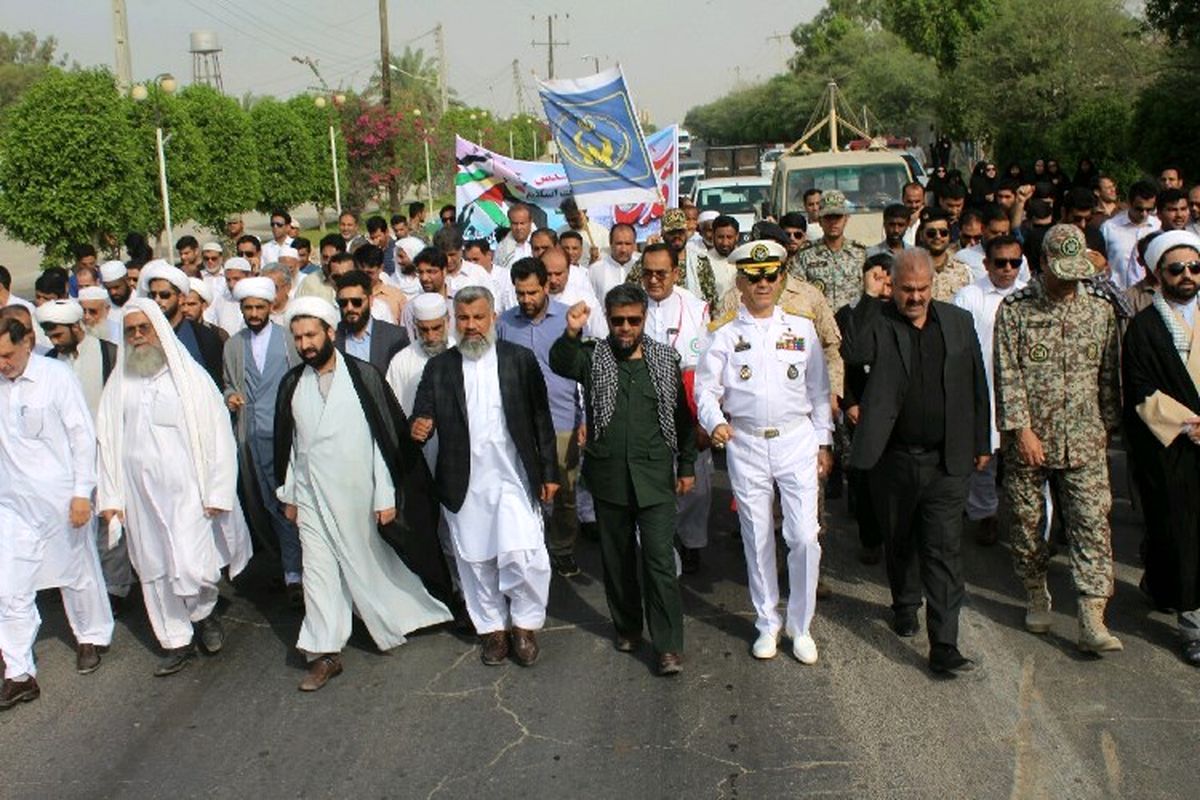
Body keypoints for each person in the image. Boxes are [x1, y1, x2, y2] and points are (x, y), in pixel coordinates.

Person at [272, 297, 452, 691]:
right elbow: (291, 446)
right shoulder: (292, 384)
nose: (304, 344)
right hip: (313, 497)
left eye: (311, 335)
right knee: (318, 572)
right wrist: (289, 495)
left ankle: (409, 613)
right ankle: (324, 652)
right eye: (298, 337)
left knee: (373, 565)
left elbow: (382, 442)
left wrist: (385, 497)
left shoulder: (363, 377)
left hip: (360, 497)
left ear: (329, 333)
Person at [842, 248, 990, 676]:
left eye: (922, 289)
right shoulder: (880, 321)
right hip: (894, 458)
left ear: (933, 286)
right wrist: (871, 298)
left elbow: (977, 384)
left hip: (947, 460)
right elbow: (853, 352)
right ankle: (905, 603)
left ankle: (944, 644)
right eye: (906, 289)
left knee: (943, 549)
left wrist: (982, 440)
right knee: (901, 540)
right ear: (893, 286)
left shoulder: (958, 323)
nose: (915, 298)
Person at [96, 299, 252, 676]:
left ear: (159, 331)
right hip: (140, 498)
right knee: (154, 569)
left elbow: (217, 436)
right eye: (130, 330)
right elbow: (107, 443)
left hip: (188, 494)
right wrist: (111, 498)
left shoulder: (190, 379)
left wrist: (216, 491)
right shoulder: (120, 384)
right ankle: (175, 640)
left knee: (192, 564)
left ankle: (204, 613)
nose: (137, 337)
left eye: (143, 329)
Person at [698, 240, 833, 664]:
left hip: (796, 439)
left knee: (804, 537)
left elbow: (819, 389)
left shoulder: (802, 328)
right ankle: (767, 623)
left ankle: (801, 624)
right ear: (739, 281)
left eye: (770, 276)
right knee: (756, 538)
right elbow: (705, 388)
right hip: (747, 442)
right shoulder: (723, 332)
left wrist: (824, 441)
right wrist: (713, 420)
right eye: (754, 277)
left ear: (780, 279)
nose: (762, 284)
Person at [551, 284, 696, 675]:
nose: (626, 328)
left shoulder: (665, 360)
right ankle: (628, 628)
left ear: (644, 318)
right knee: (616, 561)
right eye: (618, 321)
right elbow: (560, 361)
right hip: (610, 476)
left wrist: (686, 466)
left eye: (633, 320)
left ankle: (667, 645)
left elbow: (682, 420)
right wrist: (571, 331)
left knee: (659, 562)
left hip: (654, 479)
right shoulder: (594, 357)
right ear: (609, 320)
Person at [411, 286, 559, 667]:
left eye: (478, 317)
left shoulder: (519, 360)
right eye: (463, 318)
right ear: (453, 322)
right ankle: (493, 630)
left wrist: (549, 472)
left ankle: (524, 626)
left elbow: (541, 418)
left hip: (513, 477)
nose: (471, 325)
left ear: (493, 317)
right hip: (465, 481)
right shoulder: (439, 367)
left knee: (525, 556)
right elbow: (421, 411)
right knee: (476, 562)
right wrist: (419, 425)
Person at [994, 225, 1122, 653]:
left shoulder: (1100, 310)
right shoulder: (1016, 309)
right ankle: (1035, 590)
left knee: (1091, 525)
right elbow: (1007, 375)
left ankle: (1091, 617)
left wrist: (1107, 426)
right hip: (1032, 440)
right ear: (1043, 263)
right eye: (1061, 271)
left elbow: (1108, 377)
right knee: (1028, 524)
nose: (1069, 280)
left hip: (1084, 438)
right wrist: (1021, 430)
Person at [0, 316, 114, 707]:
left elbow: (82, 435)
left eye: (7, 355)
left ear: (27, 343)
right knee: (9, 586)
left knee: (76, 573)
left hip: (61, 499)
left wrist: (82, 492)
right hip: (11, 504)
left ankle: (90, 636)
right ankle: (19, 672)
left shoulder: (56, 377)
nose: (3, 364)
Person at [1121, 231, 1200, 665]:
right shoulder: (1146, 327)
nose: (1187, 276)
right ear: (1157, 274)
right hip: (1172, 446)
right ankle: (1193, 624)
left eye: (1194, 267)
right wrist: (1189, 424)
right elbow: (1139, 387)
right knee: (1181, 534)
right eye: (1177, 269)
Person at [496, 257, 584, 578]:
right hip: (520, 425)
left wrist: (584, 417)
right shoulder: (505, 323)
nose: (526, 300)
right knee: (520, 492)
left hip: (563, 422)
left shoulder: (568, 318)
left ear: (547, 286)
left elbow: (584, 370)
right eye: (520, 294)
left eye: (532, 292)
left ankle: (561, 549)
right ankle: (529, 549)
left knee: (565, 492)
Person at [222, 276, 303, 604]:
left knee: (288, 503)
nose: (254, 313)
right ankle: (286, 567)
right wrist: (230, 397)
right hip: (250, 438)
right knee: (263, 504)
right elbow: (228, 383)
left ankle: (295, 573)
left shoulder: (288, 340)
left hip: (285, 437)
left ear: (271, 307)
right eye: (248, 308)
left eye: (259, 307)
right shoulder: (233, 344)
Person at [638, 243, 712, 573]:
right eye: (648, 273)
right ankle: (661, 546)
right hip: (643, 411)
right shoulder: (630, 305)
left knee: (695, 484)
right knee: (650, 487)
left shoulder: (696, 309)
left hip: (686, 410)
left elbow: (708, 369)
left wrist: (704, 420)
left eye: (661, 273)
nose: (654, 280)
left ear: (676, 273)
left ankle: (692, 539)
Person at [952, 236, 1028, 545]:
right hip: (981, 389)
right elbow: (957, 346)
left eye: (1015, 263)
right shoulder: (970, 296)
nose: (1008, 269)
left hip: (1023, 391)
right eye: (1001, 262)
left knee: (1026, 460)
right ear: (986, 264)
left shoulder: (1029, 295)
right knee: (983, 457)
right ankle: (985, 515)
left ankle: (1030, 524)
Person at [835, 253, 893, 565]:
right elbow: (847, 358)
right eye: (878, 277)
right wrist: (851, 401)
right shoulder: (851, 313)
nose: (885, 284)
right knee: (865, 476)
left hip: (896, 410)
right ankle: (870, 537)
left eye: (889, 278)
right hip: (862, 405)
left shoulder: (903, 312)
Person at [139, 260, 224, 389]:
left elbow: (216, 384)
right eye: (153, 295)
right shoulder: (141, 335)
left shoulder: (205, 337)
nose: (157, 300)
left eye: (164, 295)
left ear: (181, 298)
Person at [793, 190, 868, 314]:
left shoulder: (860, 253)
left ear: (846, 219)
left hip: (853, 326)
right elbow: (796, 292)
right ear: (820, 221)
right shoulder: (805, 255)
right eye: (828, 217)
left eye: (837, 217)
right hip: (819, 325)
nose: (833, 222)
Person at [334, 270, 410, 374]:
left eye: (356, 302)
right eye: (343, 303)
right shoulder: (331, 337)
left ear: (371, 300)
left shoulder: (395, 337)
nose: (349, 308)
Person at [1102, 181, 1162, 291]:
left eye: (1149, 209)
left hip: (1149, 296)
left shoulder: (1158, 227)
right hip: (1117, 294)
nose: (1144, 214)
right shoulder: (1109, 228)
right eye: (1139, 209)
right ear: (1129, 203)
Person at [916, 208, 973, 302]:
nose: (938, 237)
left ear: (949, 235)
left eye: (943, 233)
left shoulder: (964, 271)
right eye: (931, 233)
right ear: (921, 236)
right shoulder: (912, 268)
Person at [559, 197, 609, 265]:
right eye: (568, 220)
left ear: (584, 212)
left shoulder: (602, 233)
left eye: (575, 219)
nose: (571, 223)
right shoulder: (560, 233)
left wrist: (595, 260)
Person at [706, 215, 739, 299]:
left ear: (737, 236)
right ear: (713, 236)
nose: (725, 243)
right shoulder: (703, 261)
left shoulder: (745, 259)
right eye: (720, 237)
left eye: (729, 237)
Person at [495, 203, 536, 269]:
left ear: (530, 221)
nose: (518, 227)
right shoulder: (501, 248)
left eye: (522, 223)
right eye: (515, 223)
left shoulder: (540, 242)